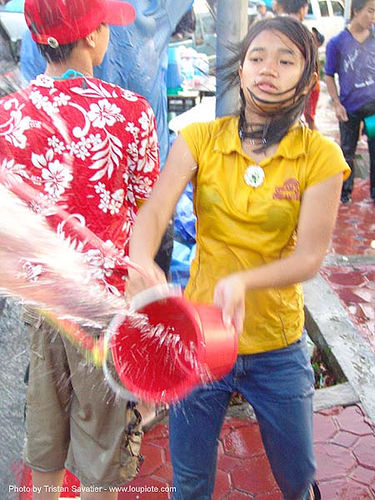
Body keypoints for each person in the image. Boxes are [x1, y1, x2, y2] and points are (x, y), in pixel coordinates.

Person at [128, 16, 350, 500]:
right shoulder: (200, 139)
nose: (268, 68)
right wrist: (142, 261)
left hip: (276, 345)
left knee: (296, 477)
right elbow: (155, 211)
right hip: (199, 338)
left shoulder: (321, 157)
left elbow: (311, 257)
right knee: (188, 481)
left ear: (308, 79)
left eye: (285, 59)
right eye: (257, 57)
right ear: (240, 69)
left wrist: (243, 282)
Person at [0, 0, 160, 497]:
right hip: (103, 309)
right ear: (93, 38)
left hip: (41, 302)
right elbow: (147, 213)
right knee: (100, 456)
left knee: (44, 440)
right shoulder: (130, 113)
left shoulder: (8, 114)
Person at [325, 0, 375, 204]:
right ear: (356, 11)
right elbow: (328, 75)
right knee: (347, 152)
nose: (373, 17)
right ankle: (344, 194)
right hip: (349, 109)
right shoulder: (337, 42)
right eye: (370, 11)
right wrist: (337, 103)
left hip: (373, 110)